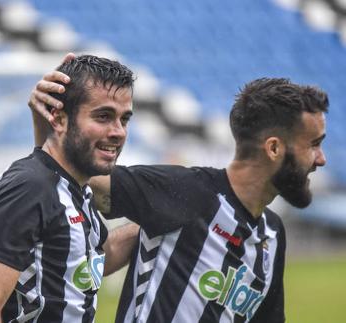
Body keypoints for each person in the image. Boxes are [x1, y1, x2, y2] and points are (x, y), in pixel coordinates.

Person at [30, 64, 328, 322]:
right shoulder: (186, 190)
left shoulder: (273, 234)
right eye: (313, 144)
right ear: (273, 148)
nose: (321, 158)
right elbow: (70, 174)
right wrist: (50, 120)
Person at [0, 55, 140, 323]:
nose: (118, 132)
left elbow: (99, 253)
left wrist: (158, 221)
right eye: (103, 116)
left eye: (124, 119)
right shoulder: (29, 186)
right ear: (58, 119)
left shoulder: (77, 186)